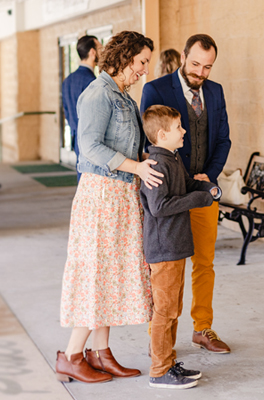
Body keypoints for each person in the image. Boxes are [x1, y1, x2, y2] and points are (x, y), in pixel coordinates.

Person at [56, 31, 163, 384]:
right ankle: (72, 355)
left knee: (110, 278)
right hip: (101, 198)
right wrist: (136, 167)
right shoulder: (99, 93)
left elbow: (127, 148)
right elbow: (89, 148)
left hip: (119, 197)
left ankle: (101, 353)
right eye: (142, 61)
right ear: (125, 56)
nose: (144, 70)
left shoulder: (123, 96)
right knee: (95, 277)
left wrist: (151, 159)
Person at [141, 34, 231, 353]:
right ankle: (159, 337)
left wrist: (211, 175)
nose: (200, 72)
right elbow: (148, 140)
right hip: (169, 196)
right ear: (183, 56)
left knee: (204, 263)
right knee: (166, 267)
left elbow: (223, 140)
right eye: (195, 64)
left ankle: (203, 328)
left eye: (207, 67)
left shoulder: (216, 91)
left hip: (202, 191)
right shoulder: (156, 89)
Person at [141, 105, 221, 389]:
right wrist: (198, 200)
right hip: (163, 249)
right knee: (164, 311)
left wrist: (206, 189)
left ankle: (169, 362)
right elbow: (159, 207)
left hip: (175, 247)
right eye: (178, 127)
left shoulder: (171, 159)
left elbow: (185, 185)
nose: (184, 131)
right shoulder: (157, 165)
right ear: (162, 134)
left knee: (173, 308)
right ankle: (159, 369)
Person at [62, 35, 101, 182]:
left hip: (76, 138)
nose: (102, 53)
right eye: (100, 49)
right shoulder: (92, 82)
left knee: (82, 182)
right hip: (91, 142)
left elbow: (67, 112)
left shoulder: (68, 80)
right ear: (92, 52)